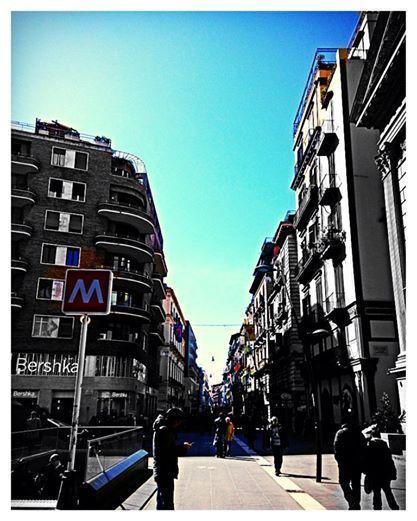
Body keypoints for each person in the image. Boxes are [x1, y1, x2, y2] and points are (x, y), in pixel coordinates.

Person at [152, 407, 193, 510]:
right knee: (167, 502)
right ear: (173, 420)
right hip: (165, 470)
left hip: (163, 470)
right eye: (178, 421)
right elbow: (168, 452)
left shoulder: (163, 428)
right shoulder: (165, 430)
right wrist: (183, 447)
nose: (178, 424)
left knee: (163, 500)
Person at [363, 426, 399, 510]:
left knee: (376, 492)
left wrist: (365, 470)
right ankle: (395, 508)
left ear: (372, 435)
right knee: (388, 491)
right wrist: (393, 472)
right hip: (385, 473)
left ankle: (377, 508)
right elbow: (390, 461)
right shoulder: (385, 446)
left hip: (374, 473)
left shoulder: (370, 446)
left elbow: (367, 460)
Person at [333, 418, 366, 510]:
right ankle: (356, 503)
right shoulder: (359, 434)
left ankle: (352, 501)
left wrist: (339, 460)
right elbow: (364, 447)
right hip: (357, 463)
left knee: (343, 482)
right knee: (356, 484)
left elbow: (336, 447)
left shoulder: (340, 433)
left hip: (345, 464)